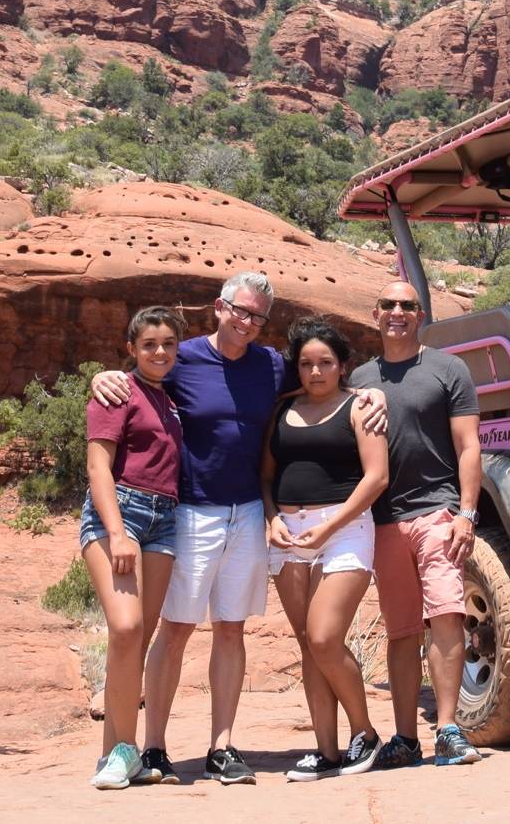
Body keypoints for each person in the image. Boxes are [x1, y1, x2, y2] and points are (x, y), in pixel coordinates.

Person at [89, 271, 286, 785]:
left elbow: (319, 383)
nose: (247, 323)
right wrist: (101, 377)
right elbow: (140, 381)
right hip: (190, 511)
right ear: (219, 307)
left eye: (258, 317)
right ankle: (152, 746)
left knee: (230, 627)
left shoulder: (271, 364)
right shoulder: (185, 357)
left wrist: (366, 397)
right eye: (240, 311)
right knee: (174, 629)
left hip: (245, 511)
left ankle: (222, 746)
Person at [353, 279, 484, 768]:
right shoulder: (361, 379)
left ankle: (448, 729)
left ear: (420, 315)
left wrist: (466, 513)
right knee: (402, 630)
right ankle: (406, 737)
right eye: (388, 305)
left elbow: (469, 445)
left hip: (438, 513)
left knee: (446, 615)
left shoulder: (449, 369)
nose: (397, 313)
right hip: (384, 520)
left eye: (408, 306)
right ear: (375, 313)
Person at [262, 318, 389, 781]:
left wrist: (328, 526)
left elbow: (377, 477)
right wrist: (272, 517)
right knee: (308, 644)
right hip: (289, 532)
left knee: (323, 637)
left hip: (345, 527)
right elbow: (266, 474)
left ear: (342, 366)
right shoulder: (282, 410)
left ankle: (365, 734)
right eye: (307, 364)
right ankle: (326, 752)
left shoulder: (361, 408)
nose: (316, 372)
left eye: (326, 363)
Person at [81, 307, 186, 790]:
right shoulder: (117, 392)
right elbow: (99, 468)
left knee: (138, 640)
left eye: (167, 343)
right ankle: (121, 751)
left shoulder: (173, 397)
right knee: (125, 628)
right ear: (131, 348)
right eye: (149, 344)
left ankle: (117, 755)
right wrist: (118, 531)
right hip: (119, 512)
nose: (159, 352)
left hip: (166, 519)